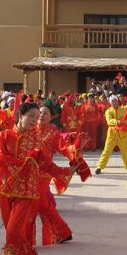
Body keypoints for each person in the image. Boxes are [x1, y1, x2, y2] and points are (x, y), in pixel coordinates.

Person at [0, 102, 76, 255]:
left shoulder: (38, 140)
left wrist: (66, 171)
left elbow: (45, 164)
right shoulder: (3, 136)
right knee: (17, 235)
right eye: (31, 116)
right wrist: (26, 161)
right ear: (20, 116)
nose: (35, 120)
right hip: (4, 190)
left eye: (37, 116)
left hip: (27, 192)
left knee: (13, 233)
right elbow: (1, 160)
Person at [35, 105, 79, 245]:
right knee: (43, 205)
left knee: (40, 203)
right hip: (29, 172)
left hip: (45, 172)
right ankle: (62, 233)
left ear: (51, 117)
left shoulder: (52, 131)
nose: (41, 115)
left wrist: (74, 153)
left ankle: (60, 233)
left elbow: (63, 146)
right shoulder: (31, 128)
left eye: (45, 113)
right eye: (40, 112)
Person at [95, 95, 127, 174]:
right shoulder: (108, 111)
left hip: (122, 134)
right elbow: (109, 121)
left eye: (115, 100)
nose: (114, 102)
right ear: (110, 103)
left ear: (117, 101)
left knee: (125, 151)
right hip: (112, 134)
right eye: (112, 101)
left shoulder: (123, 109)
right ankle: (99, 167)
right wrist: (117, 122)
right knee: (107, 151)